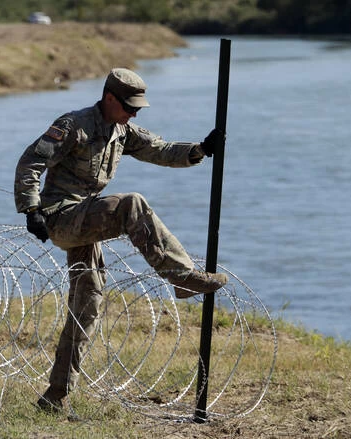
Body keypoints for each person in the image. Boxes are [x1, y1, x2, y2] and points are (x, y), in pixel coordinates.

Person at [13, 68, 228, 413]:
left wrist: (200, 149)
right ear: (109, 98)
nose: (134, 114)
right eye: (129, 107)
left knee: (88, 303)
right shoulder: (74, 126)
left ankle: (55, 396)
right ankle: (181, 277)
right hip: (61, 217)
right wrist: (31, 208)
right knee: (132, 204)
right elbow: (31, 161)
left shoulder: (122, 131)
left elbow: (159, 149)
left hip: (86, 218)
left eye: (138, 109)